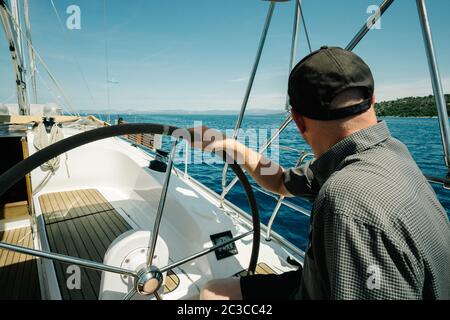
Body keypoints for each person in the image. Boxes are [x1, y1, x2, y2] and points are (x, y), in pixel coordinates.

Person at [188, 46, 450, 300]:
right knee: (216, 290)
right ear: (372, 99)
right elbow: (281, 182)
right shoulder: (390, 153)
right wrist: (231, 145)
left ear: (298, 122)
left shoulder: (346, 202)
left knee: (210, 294)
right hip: (317, 282)